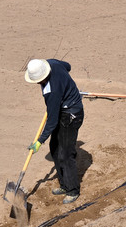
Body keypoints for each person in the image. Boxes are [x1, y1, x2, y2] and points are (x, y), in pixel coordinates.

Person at [25, 59, 84, 204]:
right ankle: (64, 184)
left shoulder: (51, 92)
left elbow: (52, 121)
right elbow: (68, 66)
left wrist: (39, 141)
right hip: (62, 109)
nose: (38, 83)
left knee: (65, 154)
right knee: (55, 149)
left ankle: (72, 190)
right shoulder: (52, 63)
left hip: (71, 115)